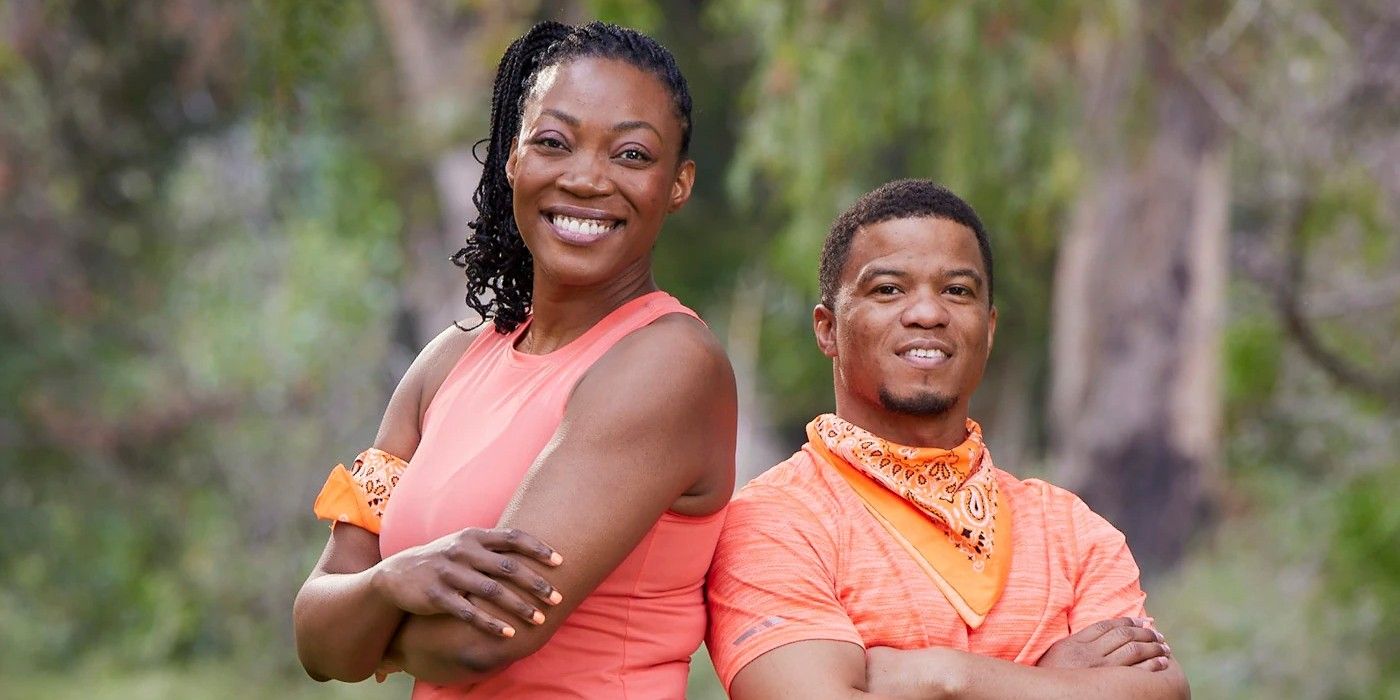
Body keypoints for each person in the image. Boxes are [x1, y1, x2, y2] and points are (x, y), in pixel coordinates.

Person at [292, 21, 736, 699]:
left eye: (632, 156)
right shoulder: (446, 365)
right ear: (512, 161)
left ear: (678, 185)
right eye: (554, 143)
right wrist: (388, 581)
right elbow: (313, 635)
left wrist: (368, 631)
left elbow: (481, 638)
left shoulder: (671, 363)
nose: (587, 179)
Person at [706, 179, 1190, 699]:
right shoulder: (774, 521)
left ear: (989, 327)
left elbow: (1161, 693)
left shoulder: (1071, 531)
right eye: (888, 289)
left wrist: (942, 676)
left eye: (957, 290)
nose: (928, 314)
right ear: (826, 329)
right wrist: (1054, 679)